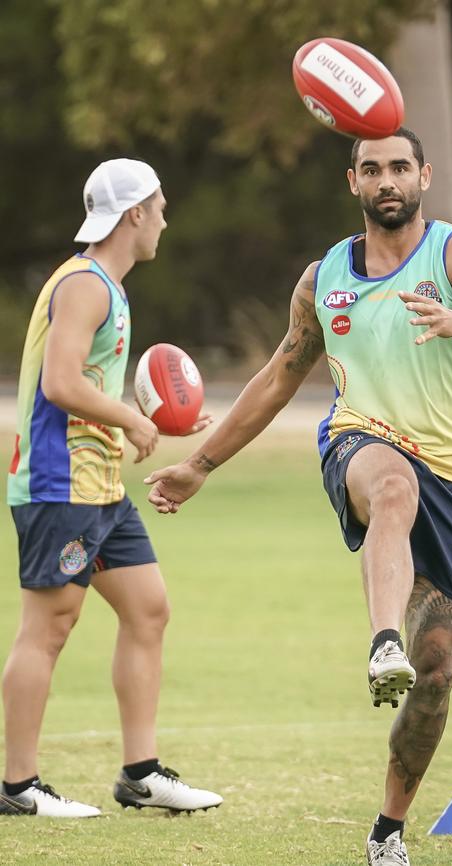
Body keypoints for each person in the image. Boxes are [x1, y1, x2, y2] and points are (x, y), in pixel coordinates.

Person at [145, 128, 452, 865]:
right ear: (351, 182)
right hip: (361, 442)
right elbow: (280, 376)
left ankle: (388, 829)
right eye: (371, 169)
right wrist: (200, 463)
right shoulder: (324, 278)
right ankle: (384, 640)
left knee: (440, 671)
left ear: (424, 175)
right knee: (390, 484)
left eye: (398, 168)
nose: (387, 180)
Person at [2, 159, 223, 818]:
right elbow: (60, 385)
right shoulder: (86, 285)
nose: (163, 218)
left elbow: (84, 387)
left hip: (97, 485)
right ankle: (17, 787)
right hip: (57, 483)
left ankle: (140, 774)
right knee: (48, 628)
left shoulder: (107, 287)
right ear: (134, 215)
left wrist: (151, 417)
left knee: (148, 608)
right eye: (158, 206)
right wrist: (131, 417)